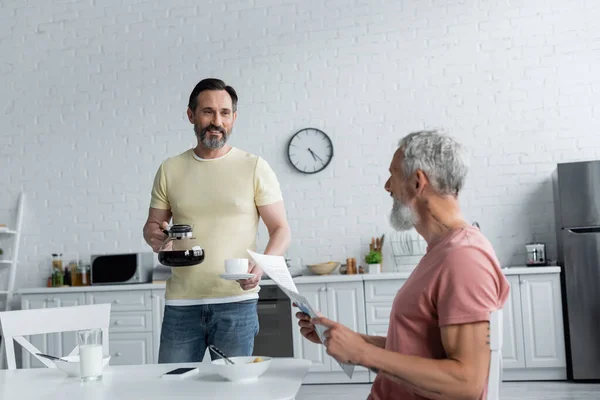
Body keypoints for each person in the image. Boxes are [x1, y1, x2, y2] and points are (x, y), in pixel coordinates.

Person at [296, 130, 510, 400]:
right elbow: (419, 352)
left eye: (393, 174)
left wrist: (362, 353)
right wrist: (350, 340)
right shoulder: (442, 251)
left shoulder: (464, 258)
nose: (387, 186)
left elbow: (466, 383)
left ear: (418, 181)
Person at [144, 78, 291, 363]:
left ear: (234, 118)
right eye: (208, 111)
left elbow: (281, 230)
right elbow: (152, 225)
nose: (217, 121)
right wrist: (157, 237)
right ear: (191, 115)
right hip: (182, 304)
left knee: (232, 393)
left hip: (236, 303)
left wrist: (261, 265)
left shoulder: (254, 167)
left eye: (225, 113)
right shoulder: (169, 169)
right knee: (172, 390)